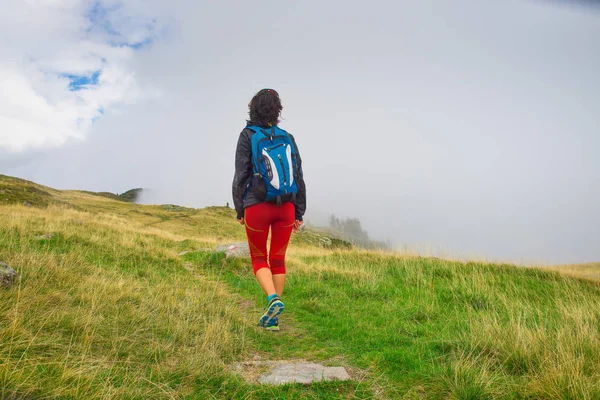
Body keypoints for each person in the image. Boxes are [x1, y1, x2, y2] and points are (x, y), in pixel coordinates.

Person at [232, 89, 306, 331]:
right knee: (278, 258)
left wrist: (240, 208)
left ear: (252, 108)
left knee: (258, 258)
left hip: (257, 205)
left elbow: (241, 175)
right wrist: (299, 212)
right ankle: (273, 320)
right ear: (278, 109)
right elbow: (299, 175)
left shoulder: (247, 135)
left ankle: (272, 298)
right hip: (286, 205)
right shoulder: (287, 137)